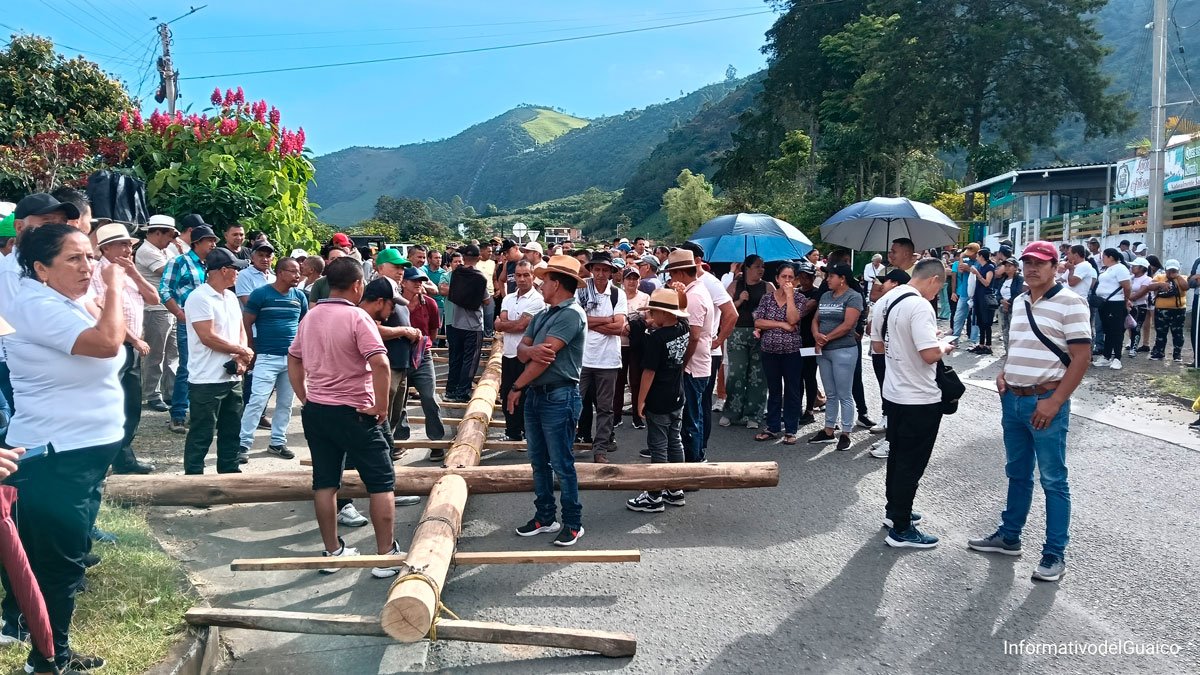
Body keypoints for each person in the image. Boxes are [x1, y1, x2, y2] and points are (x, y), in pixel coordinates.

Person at [0, 223, 124, 674]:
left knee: (55, 558)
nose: (88, 266)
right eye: (74, 258)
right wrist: (113, 287)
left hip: (82, 454)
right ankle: (49, 660)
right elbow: (108, 342)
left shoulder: (61, 300)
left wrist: (97, 291)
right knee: (60, 565)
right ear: (40, 268)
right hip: (57, 457)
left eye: (91, 257)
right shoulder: (35, 305)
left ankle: (48, 647)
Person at [968, 241, 1091, 583]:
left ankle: (1054, 554)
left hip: (1046, 400)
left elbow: (1081, 358)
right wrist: (1006, 371)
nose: (1032, 268)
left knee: (1054, 480)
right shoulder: (1020, 301)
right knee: (1017, 472)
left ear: (1056, 267)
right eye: (1027, 263)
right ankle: (1009, 536)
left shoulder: (1071, 303)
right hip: (1014, 399)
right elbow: (1018, 344)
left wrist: (1055, 402)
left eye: (1040, 262)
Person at [288, 257, 402, 576]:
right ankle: (384, 558)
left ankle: (332, 551)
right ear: (357, 285)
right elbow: (380, 364)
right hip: (355, 410)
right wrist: (381, 406)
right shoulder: (357, 317)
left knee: (325, 482)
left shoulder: (310, 317)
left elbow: (293, 359)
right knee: (380, 483)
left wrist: (304, 396)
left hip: (318, 411)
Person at [506, 255, 589, 547]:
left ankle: (572, 522)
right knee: (538, 461)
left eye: (545, 279)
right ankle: (544, 517)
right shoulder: (543, 314)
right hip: (538, 394)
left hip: (559, 394)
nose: (541, 284)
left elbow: (543, 358)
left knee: (562, 463)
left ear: (557, 283)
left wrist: (516, 385)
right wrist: (531, 350)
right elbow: (522, 350)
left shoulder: (571, 314)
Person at [874, 259, 955, 548]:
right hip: (919, 396)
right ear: (933, 279)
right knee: (911, 463)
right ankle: (902, 528)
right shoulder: (920, 306)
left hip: (895, 391)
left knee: (897, 457)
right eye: (941, 285)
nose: (939, 292)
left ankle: (895, 510)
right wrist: (943, 345)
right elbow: (930, 355)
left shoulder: (888, 299)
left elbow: (879, 345)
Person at [90, 223, 160, 474]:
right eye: (122, 244)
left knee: (131, 405)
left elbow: (154, 298)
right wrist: (134, 339)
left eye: (130, 244)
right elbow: (103, 312)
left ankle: (123, 457)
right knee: (112, 404)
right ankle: (108, 458)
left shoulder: (129, 271)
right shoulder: (98, 273)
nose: (128, 248)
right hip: (113, 346)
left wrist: (135, 274)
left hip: (130, 348)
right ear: (106, 248)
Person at [183, 248, 253, 474]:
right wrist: (240, 350)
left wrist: (241, 355)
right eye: (235, 270)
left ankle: (229, 473)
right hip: (206, 379)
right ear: (224, 270)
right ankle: (193, 482)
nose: (238, 274)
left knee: (231, 430)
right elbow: (207, 336)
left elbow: (240, 327)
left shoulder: (230, 297)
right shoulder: (199, 297)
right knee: (201, 433)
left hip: (231, 376)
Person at [625, 287, 691, 513]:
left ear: (664, 313)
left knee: (658, 446)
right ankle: (675, 488)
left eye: (654, 312)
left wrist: (640, 401)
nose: (651, 315)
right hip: (677, 394)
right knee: (675, 441)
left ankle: (654, 495)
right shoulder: (684, 328)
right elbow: (681, 310)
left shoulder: (656, 339)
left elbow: (648, 372)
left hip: (658, 398)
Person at [238, 256, 308, 463]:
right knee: (257, 401)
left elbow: (303, 325)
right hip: (266, 356)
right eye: (293, 271)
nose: (297, 275)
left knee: (285, 403)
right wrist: (251, 350)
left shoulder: (299, 297)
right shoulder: (261, 294)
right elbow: (247, 322)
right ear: (280, 273)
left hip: (292, 360)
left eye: (299, 271)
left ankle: (278, 441)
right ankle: (243, 443)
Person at [159, 217, 220, 434]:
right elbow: (164, 289)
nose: (213, 244)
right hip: (188, 323)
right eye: (208, 240)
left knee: (206, 365)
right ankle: (178, 415)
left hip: (208, 322)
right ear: (196, 243)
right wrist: (178, 312)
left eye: (214, 240)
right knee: (187, 366)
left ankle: (200, 414)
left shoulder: (211, 265)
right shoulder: (180, 262)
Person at [676, 242, 736, 454]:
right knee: (694, 408)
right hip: (700, 352)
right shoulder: (692, 286)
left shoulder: (707, 284)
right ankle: (691, 450)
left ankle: (698, 451)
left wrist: (717, 340)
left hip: (703, 355)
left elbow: (732, 314)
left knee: (697, 408)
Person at [662, 249, 714, 463]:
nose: (671, 279)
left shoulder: (694, 296)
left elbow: (692, 336)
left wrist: (682, 363)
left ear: (681, 273)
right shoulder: (696, 291)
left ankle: (693, 461)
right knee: (694, 414)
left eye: (673, 274)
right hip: (699, 362)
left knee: (691, 417)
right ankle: (695, 457)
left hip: (693, 365)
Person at [574, 251, 627, 462]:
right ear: (591, 270)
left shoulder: (617, 294)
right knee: (573, 404)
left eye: (605, 270)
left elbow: (619, 327)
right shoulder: (581, 290)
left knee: (605, 408)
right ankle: (567, 444)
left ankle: (601, 449)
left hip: (608, 360)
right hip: (582, 358)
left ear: (611, 272)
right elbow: (577, 321)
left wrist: (591, 322)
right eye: (597, 269)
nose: (601, 274)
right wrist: (607, 320)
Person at [810, 264, 864, 450]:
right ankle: (828, 430)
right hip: (824, 351)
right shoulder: (825, 296)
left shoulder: (853, 297)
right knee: (830, 393)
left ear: (842, 278)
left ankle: (846, 433)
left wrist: (825, 338)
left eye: (831, 276)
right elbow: (816, 319)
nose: (827, 279)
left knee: (844, 394)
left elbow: (848, 325)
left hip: (843, 350)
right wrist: (817, 334)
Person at [863, 269, 913, 458]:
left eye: (886, 281)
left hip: (892, 354)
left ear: (895, 284)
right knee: (887, 392)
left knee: (897, 397)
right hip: (881, 353)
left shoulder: (904, 305)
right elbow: (871, 330)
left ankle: (895, 440)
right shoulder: (883, 302)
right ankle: (890, 433)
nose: (881, 285)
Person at [397, 267, 445, 455]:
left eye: (421, 280)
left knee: (429, 397)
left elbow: (433, 330)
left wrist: (424, 345)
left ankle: (437, 441)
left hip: (422, 355)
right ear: (403, 283)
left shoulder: (430, 304)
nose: (419, 283)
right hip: (399, 355)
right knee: (398, 401)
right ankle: (400, 441)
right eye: (414, 280)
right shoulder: (395, 305)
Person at [137, 215, 182, 413]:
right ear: (157, 232)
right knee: (156, 354)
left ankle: (169, 391)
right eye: (170, 235)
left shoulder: (164, 250)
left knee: (173, 353)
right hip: (154, 309)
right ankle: (152, 394)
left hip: (169, 307)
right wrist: (180, 253)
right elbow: (172, 274)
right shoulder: (146, 251)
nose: (172, 240)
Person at [753, 262, 803, 444]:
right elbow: (759, 322)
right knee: (774, 389)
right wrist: (781, 325)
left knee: (792, 389)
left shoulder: (799, 299)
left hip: (792, 351)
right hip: (769, 350)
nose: (787, 280)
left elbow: (794, 319)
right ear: (777, 278)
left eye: (791, 277)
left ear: (795, 280)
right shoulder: (767, 298)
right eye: (784, 277)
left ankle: (791, 429)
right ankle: (772, 427)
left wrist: (790, 297)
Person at [496, 261, 546, 442]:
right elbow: (504, 325)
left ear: (533, 276)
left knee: (525, 396)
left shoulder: (537, 300)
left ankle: (527, 432)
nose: (522, 279)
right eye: (518, 275)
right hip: (508, 353)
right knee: (506, 393)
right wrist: (508, 324)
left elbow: (520, 325)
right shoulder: (508, 297)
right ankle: (512, 432)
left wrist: (505, 324)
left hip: (526, 356)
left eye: (526, 275)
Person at [722, 254, 770, 429]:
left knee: (758, 375)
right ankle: (732, 411)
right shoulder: (735, 285)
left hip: (760, 333)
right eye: (757, 266)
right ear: (747, 268)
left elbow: (773, 308)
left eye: (762, 266)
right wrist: (740, 300)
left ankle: (754, 414)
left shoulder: (767, 286)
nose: (761, 269)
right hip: (737, 332)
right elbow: (726, 309)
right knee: (737, 373)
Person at [445, 245, 487, 402]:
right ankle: (462, 393)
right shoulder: (480, 277)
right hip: (473, 325)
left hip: (456, 323)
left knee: (455, 358)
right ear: (479, 257)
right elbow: (486, 299)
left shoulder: (456, 274)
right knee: (470, 360)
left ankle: (450, 391)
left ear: (463, 257)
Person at [615, 266, 650, 430]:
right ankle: (616, 415)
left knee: (636, 381)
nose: (632, 282)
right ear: (622, 281)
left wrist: (634, 325)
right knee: (618, 382)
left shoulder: (645, 298)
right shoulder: (617, 296)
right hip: (618, 344)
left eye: (635, 279)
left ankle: (637, 416)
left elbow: (651, 320)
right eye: (629, 278)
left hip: (637, 345)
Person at [1092, 248, 1132, 369]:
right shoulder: (1108, 269)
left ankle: (1117, 358)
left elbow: (1127, 286)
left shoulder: (1120, 268)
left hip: (1116, 303)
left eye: (1103, 257)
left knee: (1116, 331)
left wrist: (1126, 300)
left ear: (1110, 257)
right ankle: (1106, 356)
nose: (1102, 259)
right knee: (1108, 330)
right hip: (1105, 303)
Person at [1151, 259, 1187, 361]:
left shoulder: (1182, 278)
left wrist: (1177, 277)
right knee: (1160, 332)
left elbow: (1186, 287)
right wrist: (1160, 284)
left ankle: (1177, 354)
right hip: (1161, 310)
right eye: (1169, 270)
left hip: (1178, 310)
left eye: (1174, 270)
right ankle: (1159, 352)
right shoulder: (1159, 277)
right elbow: (1150, 286)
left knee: (1178, 333)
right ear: (1165, 269)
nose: (1171, 272)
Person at [966, 247, 997, 355]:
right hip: (978, 296)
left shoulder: (990, 267)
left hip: (986, 297)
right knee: (979, 321)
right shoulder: (981, 266)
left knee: (986, 322)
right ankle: (981, 344)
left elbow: (987, 283)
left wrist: (977, 274)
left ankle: (988, 345)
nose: (977, 257)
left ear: (982, 256)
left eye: (978, 255)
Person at [1127, 257, 1153, 357]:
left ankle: (1134, 348)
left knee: (1136, 327)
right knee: (1127, 327)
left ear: (1142, 268)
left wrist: (1126, 297)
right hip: (1128, 305)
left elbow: (1139, 294)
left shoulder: (1147, 279)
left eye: (1135, 266)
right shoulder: (1131, 278)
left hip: (1140, 306)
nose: (1132, 267)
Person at [997, 258, 1024, 349]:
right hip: (1003, 307)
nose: (1007, 268)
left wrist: (1008, 303)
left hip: (1013, 307)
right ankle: (1007, 349)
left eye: (1010, 266)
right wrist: (1001, 301)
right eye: (1006, 266)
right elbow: (997, 294)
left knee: (1014, 330)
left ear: (1016, 268)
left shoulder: (1019, 278)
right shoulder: (1003, 279)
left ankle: (1015, 349)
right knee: (1005, 329)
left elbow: (1018, 292)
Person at [476, 242, 497, 338]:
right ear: (482, 251)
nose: (490, 253)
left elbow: (494, 278)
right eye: (488, 251)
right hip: (476, 295)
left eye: (491, 251)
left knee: (488, 318)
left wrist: (498, 290)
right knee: (477, 319)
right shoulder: (475, 262)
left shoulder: (492, 263)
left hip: (490, 295)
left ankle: (487, 342)